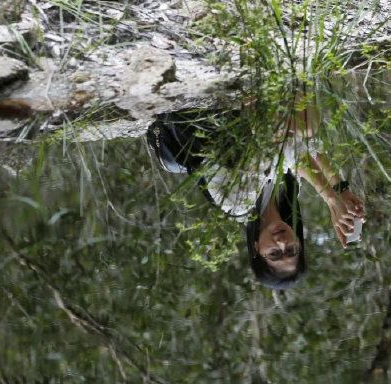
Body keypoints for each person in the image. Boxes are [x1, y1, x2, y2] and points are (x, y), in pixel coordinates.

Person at [147, 106, 366, 291]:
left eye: (274, 254)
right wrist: (341, 190)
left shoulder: (236, 205)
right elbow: (304, 147)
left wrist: (330, 197)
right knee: (306, 124)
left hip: (204, 122)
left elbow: (282, 148)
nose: (282, 243)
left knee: (303, 126)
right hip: (247, 118)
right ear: (299, 242)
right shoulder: (287, 194)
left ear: (255, 249)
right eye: (291, 250)